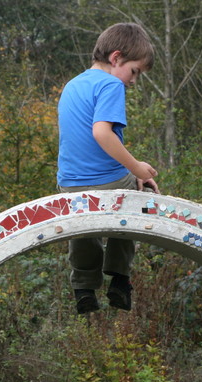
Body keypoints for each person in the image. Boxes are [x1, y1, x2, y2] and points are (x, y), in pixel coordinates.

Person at [56, 22, 160, 315]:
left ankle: (84, 288)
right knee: (137, 205)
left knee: (83, 229)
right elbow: (102, 133)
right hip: (107, 181)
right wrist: (138, 169)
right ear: (116, 59)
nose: (134, 81)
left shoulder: (72, 85)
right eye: (135, 71)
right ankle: (119, 278)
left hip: (68, 184)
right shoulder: (111, 84)